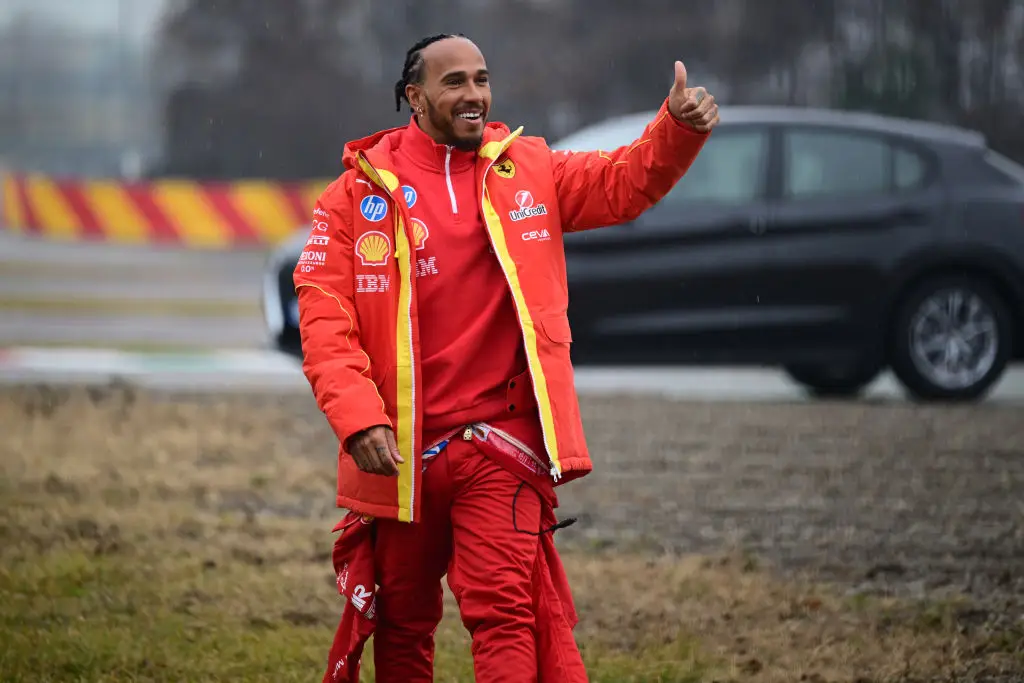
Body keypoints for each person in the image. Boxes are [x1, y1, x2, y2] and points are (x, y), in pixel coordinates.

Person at [295, 32, 719, 683]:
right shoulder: (353, 198)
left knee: (504, 616)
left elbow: (621, 184)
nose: (474, 95)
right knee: (403, 623)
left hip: (502, 446)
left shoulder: (528, 168)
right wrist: (359, 419)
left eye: (481, 79)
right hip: (400, 454)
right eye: (455, 82)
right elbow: (325, 320)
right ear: (415, 96)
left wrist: (676, 131)